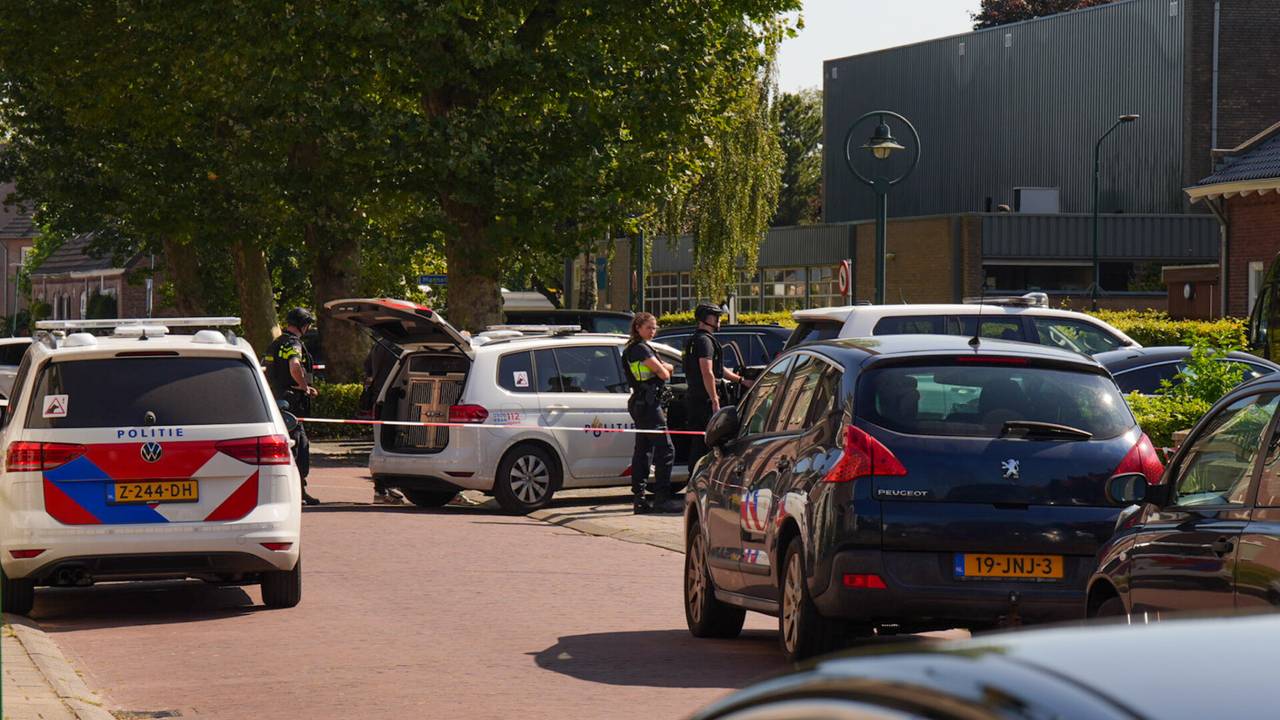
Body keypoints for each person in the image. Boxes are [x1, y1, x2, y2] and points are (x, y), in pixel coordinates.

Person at [622, 312, 681, 514]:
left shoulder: (637, 347)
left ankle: (639, 499)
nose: (653, 331)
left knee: (643, 450)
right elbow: (664, 373)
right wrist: (666, 368)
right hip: (648, 404)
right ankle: (662, 499)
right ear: (638, 327)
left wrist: (664, 368)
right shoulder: (640, 349)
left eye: (655, 328)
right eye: (649, 327)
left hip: (642, 403)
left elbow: (661, 370)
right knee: (666, 450)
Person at [682, 303, 751, 472]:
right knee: (707, 444)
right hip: (704, 402)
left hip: (695, 398)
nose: (720, 320)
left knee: (700, 443)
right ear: (706, 319)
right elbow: (707, 372)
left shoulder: (694, 339)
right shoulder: (705, 341)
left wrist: (740, 380)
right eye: (716, 317)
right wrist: (714, 400)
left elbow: (717, 369)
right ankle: (699, 481)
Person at [265, 307, 321, 506]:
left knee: (284, 445)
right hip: (292, 402)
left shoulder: (275, 344)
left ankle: (289, 490)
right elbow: (295, 366)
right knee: (299, 445)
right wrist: (305, 387)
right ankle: (298, 491)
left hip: (276, 399)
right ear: (304, 325)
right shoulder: (293, 343)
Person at [361, 341, 407, 505]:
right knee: (393, 444)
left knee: (380, 445)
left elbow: (367, 369)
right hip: (396, 401)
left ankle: (381, 490)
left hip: (378, 400)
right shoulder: (405, 344)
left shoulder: (379, 345)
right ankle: (389, 488)